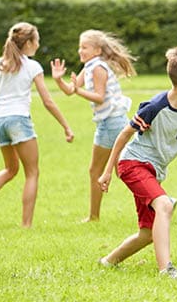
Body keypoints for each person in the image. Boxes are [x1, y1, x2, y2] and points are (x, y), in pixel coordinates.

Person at [97, 47, 177, 279]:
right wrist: (107, 171)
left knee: (148, 233)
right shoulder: (155, 107)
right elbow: (123, 135)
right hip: (132, 164)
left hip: (154, 171)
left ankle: (108, 262)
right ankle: (166, 270)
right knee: (165, 206)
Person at [0, 22, 74, 229]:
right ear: (30, 43)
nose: (38, 44)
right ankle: (26, 225)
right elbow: (48, 101)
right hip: (19, 120)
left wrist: (6, 96)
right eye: (37, 41)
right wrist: (66, 126)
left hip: (0, 120)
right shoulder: (32, 66)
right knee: (32, 172)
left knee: (10, 169)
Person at [50, 29, 136, 222]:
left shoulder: (98, 68)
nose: (80, 50)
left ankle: (94, 217)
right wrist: (58, 79)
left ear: (97, 50)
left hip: (111, 123)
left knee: (98, 171)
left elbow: (99, 97)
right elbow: (70, 90)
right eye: (79, 46)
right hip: (114, 122)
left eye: (84, 47)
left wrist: (79, 91)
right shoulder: (90, 66)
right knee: (123, 171)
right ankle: (159, 202)